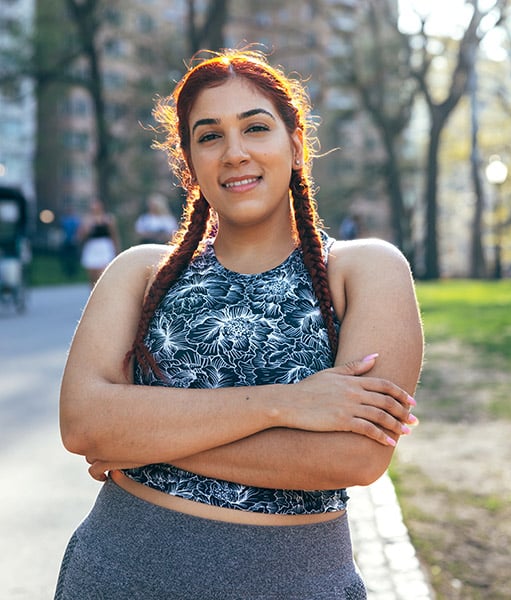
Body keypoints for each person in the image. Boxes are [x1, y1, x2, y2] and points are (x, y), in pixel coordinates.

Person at [55, 49, 423, 599]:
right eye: (209, 136)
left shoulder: (365, 269)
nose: (234, 153)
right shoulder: (140, 271)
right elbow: (84, 424)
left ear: (296, 145)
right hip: (118, 572)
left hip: (294, 585)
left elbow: (354, 456)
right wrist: (287, 403)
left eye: (255, 128)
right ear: (189, 162)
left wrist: (141, 438)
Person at [77, 198, 120, 287]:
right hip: (92, 248)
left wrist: (117, 250)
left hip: (105, 248)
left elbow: (114, 235)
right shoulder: (87, 219)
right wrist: (86, 229)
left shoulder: (108, 219)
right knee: (92, 277)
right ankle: (92, 296)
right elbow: (80, 237)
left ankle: (102, 295)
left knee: (102, 274)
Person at [58, 204, 81, 278]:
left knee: (73, 257)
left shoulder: (75, 220)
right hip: (66, 241)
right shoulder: (64, 219)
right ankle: (67, 271)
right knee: (66, 257)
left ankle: (73, 271)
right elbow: (61, 229)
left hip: (73, 241)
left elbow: (78, 230)